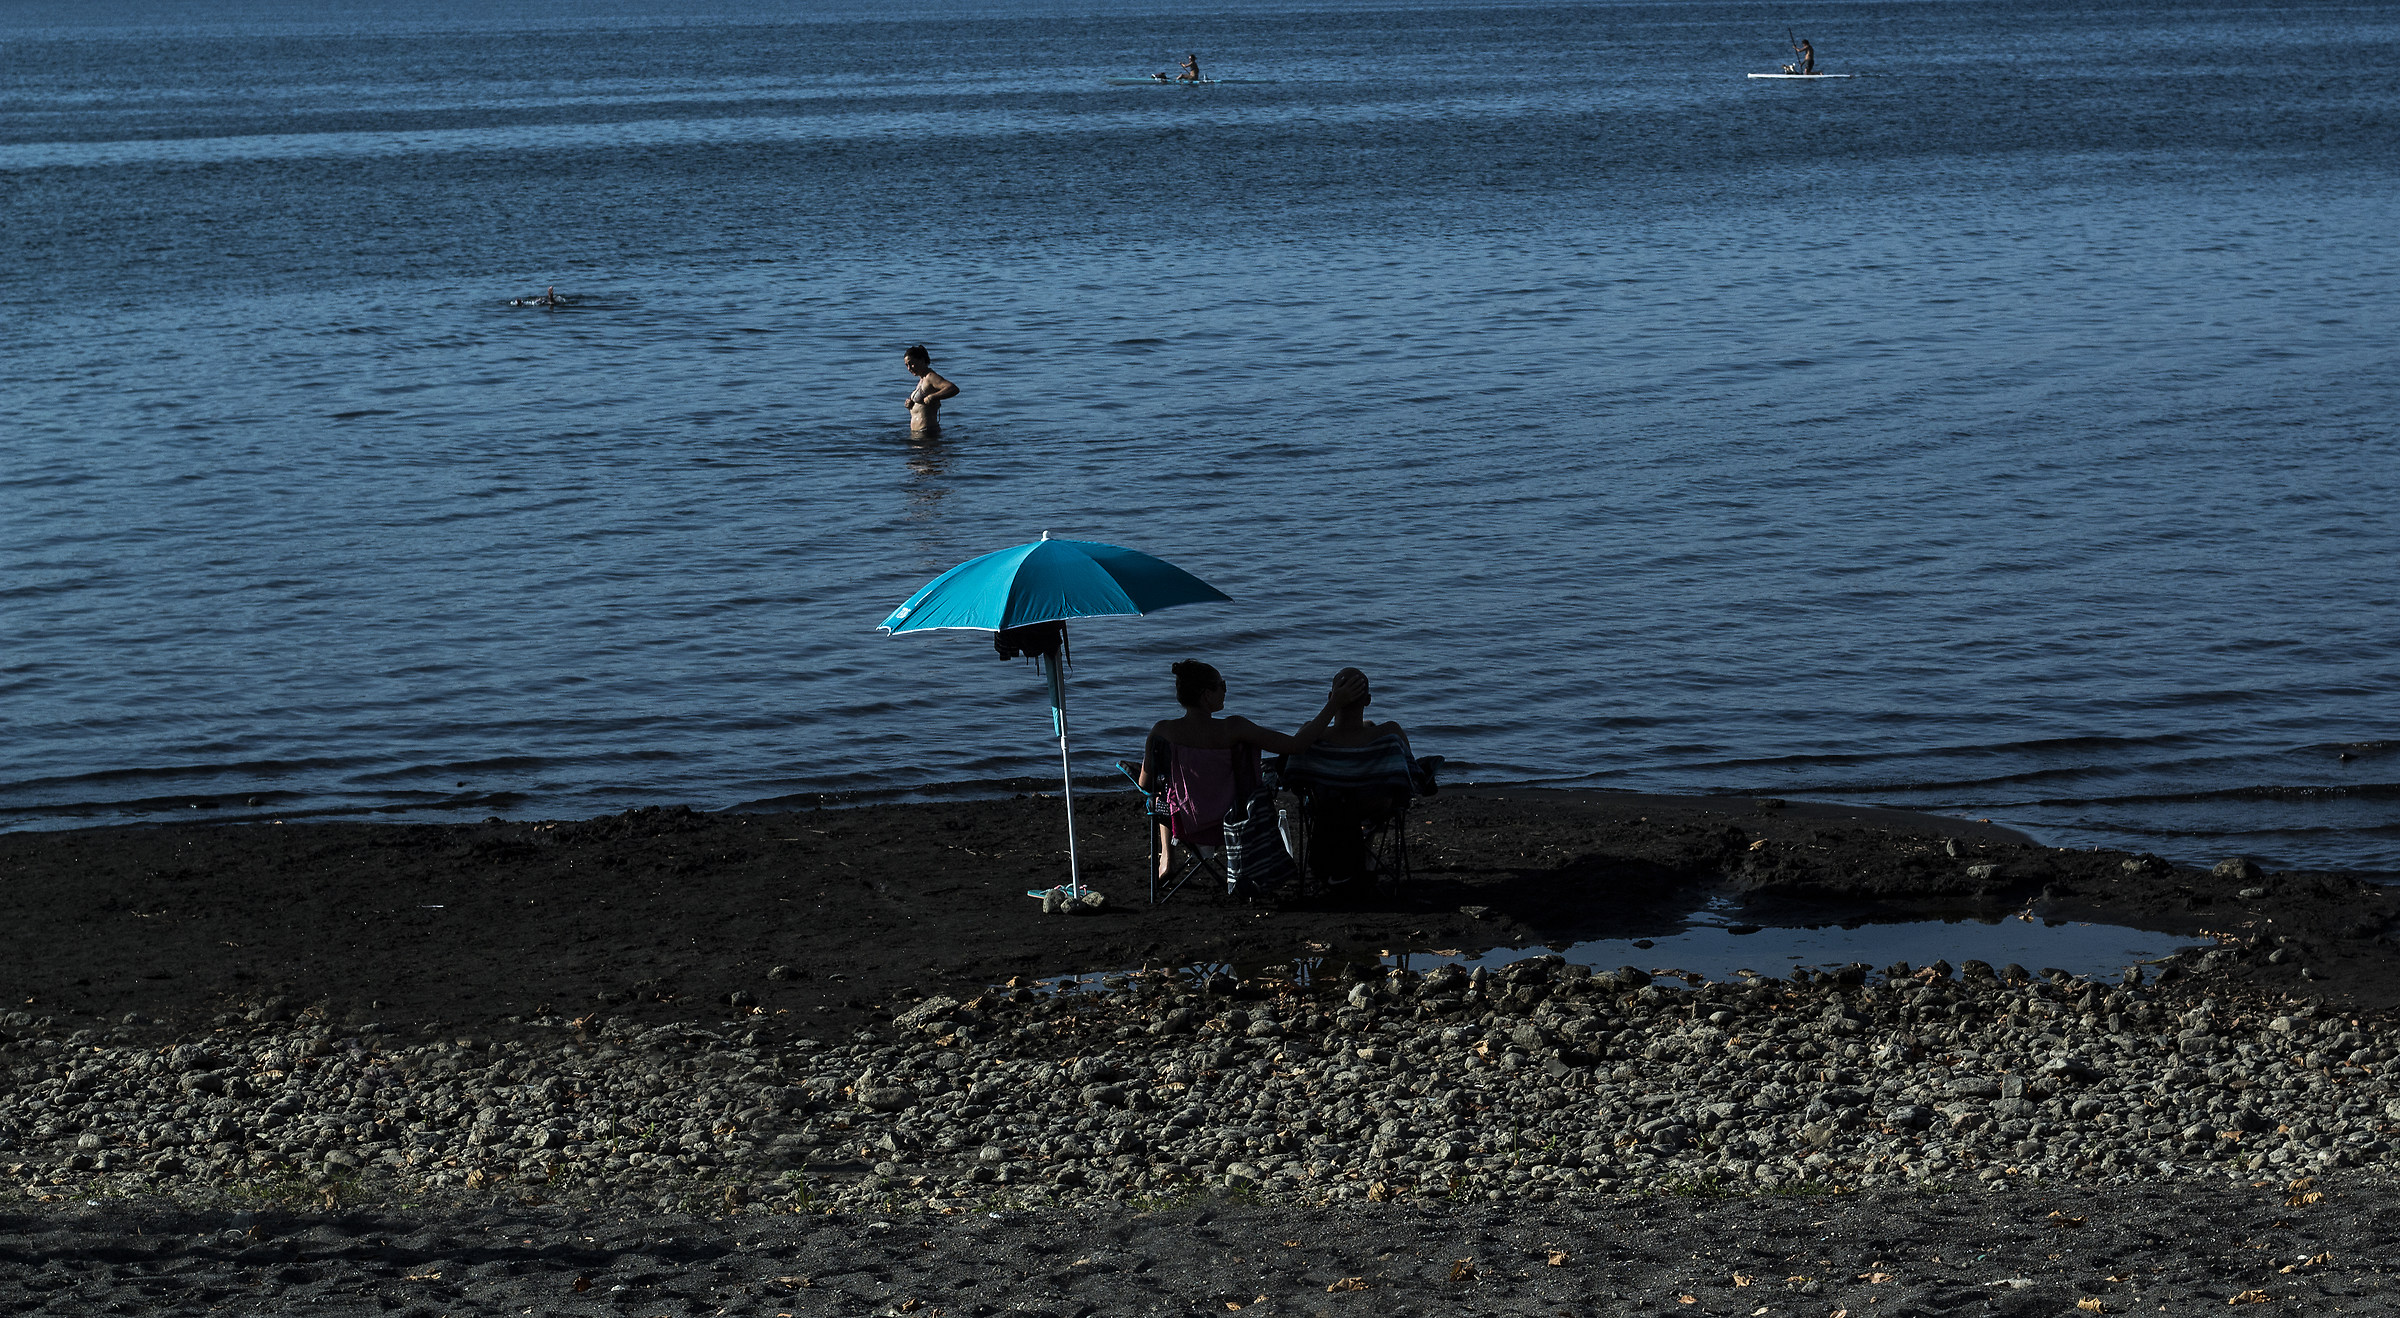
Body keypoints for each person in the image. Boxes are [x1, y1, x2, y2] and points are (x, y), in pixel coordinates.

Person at [1137, 662, 1360, 880]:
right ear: (1206, 695)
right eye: (1222, 685)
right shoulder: (1234, 728)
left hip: (1184, 824)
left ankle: (1167, 857)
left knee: (1161, 793)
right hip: (1238, 822)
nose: (1226, 690)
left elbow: (1145, 784)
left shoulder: (1162, 731)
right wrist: (1334, 704)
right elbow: (1296, 745)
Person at [902, 344, 958, 434]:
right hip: (918, 433)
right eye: (906, 365)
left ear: (921, 360)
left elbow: (953, 388)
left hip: (928, 433)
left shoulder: (930, 377)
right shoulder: (922, 379)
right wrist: (910, 405)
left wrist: (933, 396)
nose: (909, 368)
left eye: (911, 364)